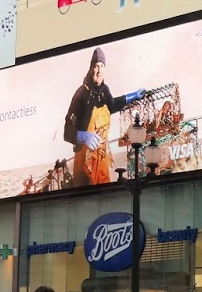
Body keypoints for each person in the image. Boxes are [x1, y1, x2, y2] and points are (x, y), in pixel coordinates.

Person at [61, 48, 146, 188]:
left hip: (102, 158)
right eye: (96, 66)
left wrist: (133, 96)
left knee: (104, 190)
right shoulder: (81, 94)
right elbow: (67, 132)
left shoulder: (104, 91)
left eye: (102, 66)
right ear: (91, 69)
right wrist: (83, 137)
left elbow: (112, 105)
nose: (99, 71)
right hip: (84, 163)